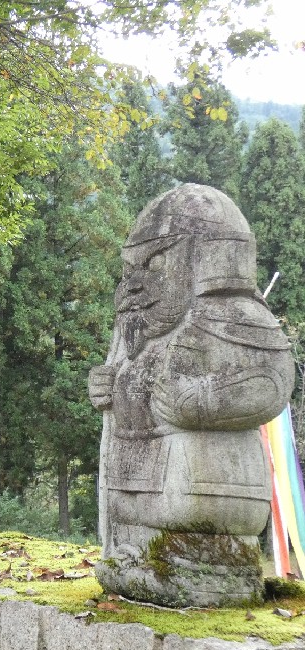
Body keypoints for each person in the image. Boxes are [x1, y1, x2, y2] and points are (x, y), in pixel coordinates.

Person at [89, 184, 295, 606]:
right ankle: (143, 556)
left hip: (204, 484)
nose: (137, 282)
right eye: (132, 268)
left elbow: (273, 383)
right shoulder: (140, 330)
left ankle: (209, 569)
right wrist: (111, 386)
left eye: (158, 261)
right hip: (139, 482)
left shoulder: (230, 315)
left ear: (208, 255)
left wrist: (202, 398)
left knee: (189, 514)